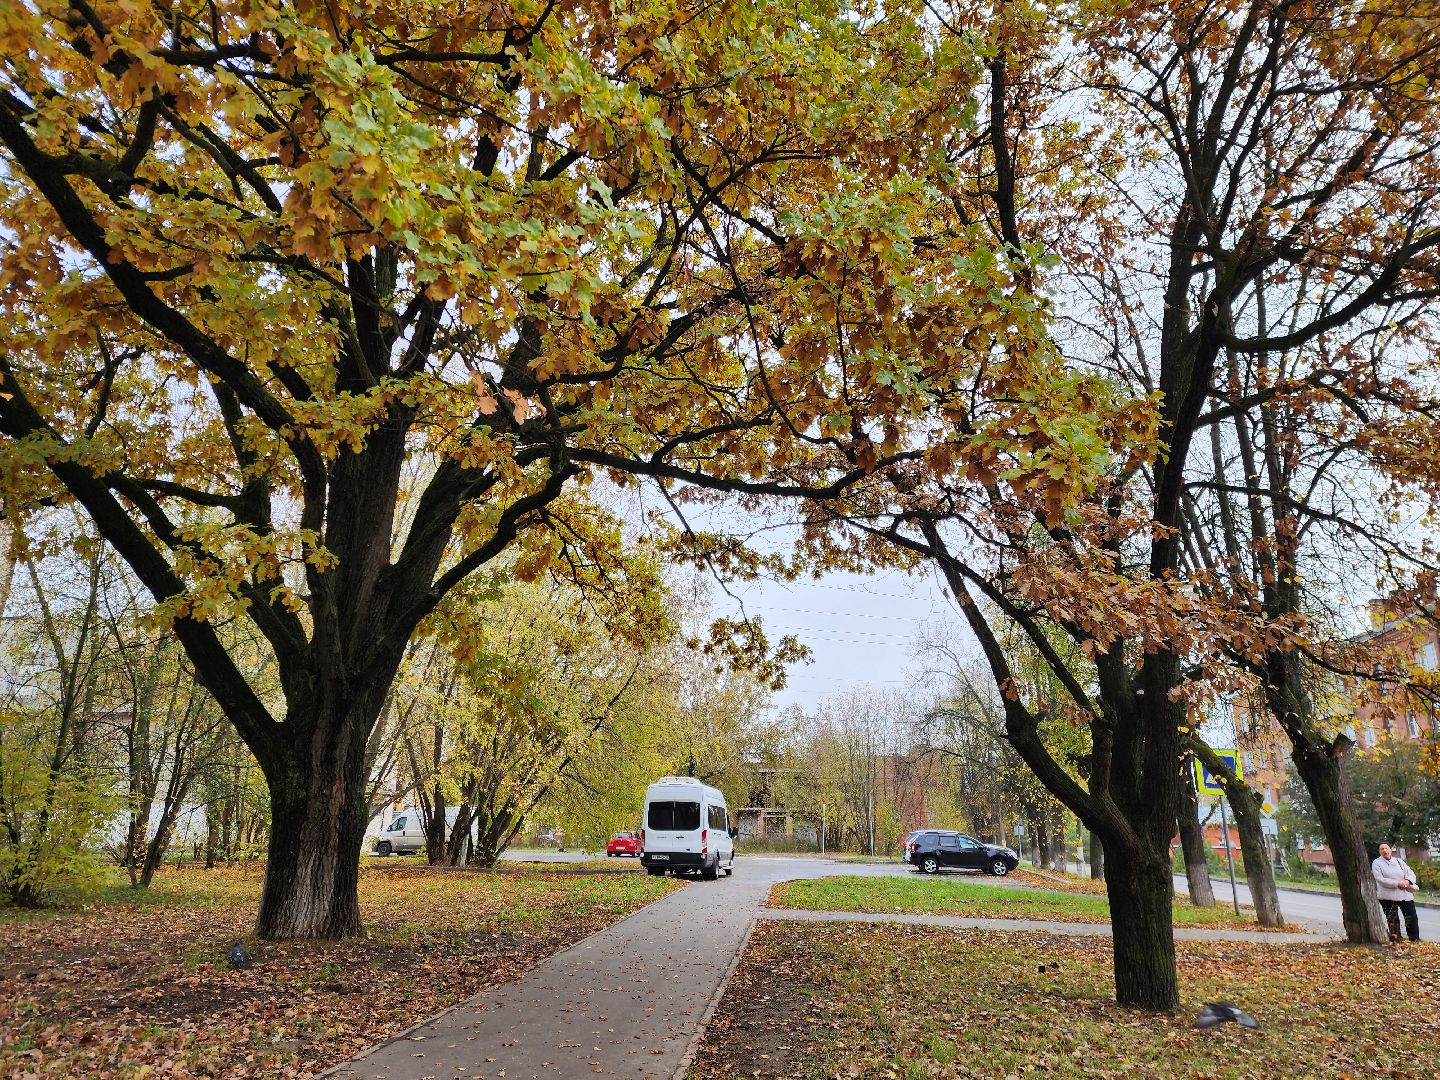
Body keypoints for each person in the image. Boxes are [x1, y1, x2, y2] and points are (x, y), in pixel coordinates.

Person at [1372, 842, 1420, 943]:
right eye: (1382, 849)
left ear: (1390, 850)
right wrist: (1397, 883)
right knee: (1393, 920)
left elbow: (1410, 873)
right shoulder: (1376, 863)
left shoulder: (1399, 861)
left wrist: (1407, 881)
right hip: (1387, 897)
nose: (1385, 850)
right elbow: (1380, 879)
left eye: (1386, 848)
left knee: (1411, 918)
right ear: (1379, 851)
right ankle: (1396, 940)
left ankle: (1414, 939)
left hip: (1405, 894)